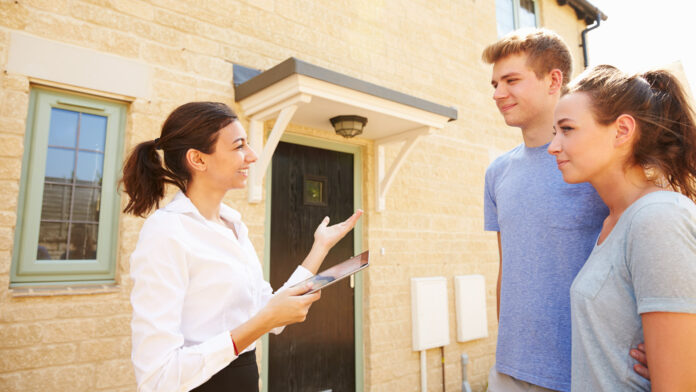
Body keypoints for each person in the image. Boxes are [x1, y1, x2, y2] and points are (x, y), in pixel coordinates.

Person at [121, 101, 363, 392]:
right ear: (198, 159)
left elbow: (270, 315)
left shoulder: (233, 225)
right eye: (239, 146)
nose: (252, 155)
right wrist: (260, 323)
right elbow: (157, 378)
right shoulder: (167, 232)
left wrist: (320, 248)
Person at [482, 29, 631, 392]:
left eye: (511, 80)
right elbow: (509, 268)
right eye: (495, 83)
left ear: (553, 80)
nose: (498, 93)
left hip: (586, 372)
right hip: (509, 372)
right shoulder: (497, 173)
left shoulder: (596, 161)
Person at [548, 65, 696, 391]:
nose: (553, 146)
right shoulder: (614, 221)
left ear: (622, 130)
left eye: (567, 129)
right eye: (554, 133)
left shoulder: (657, 218)